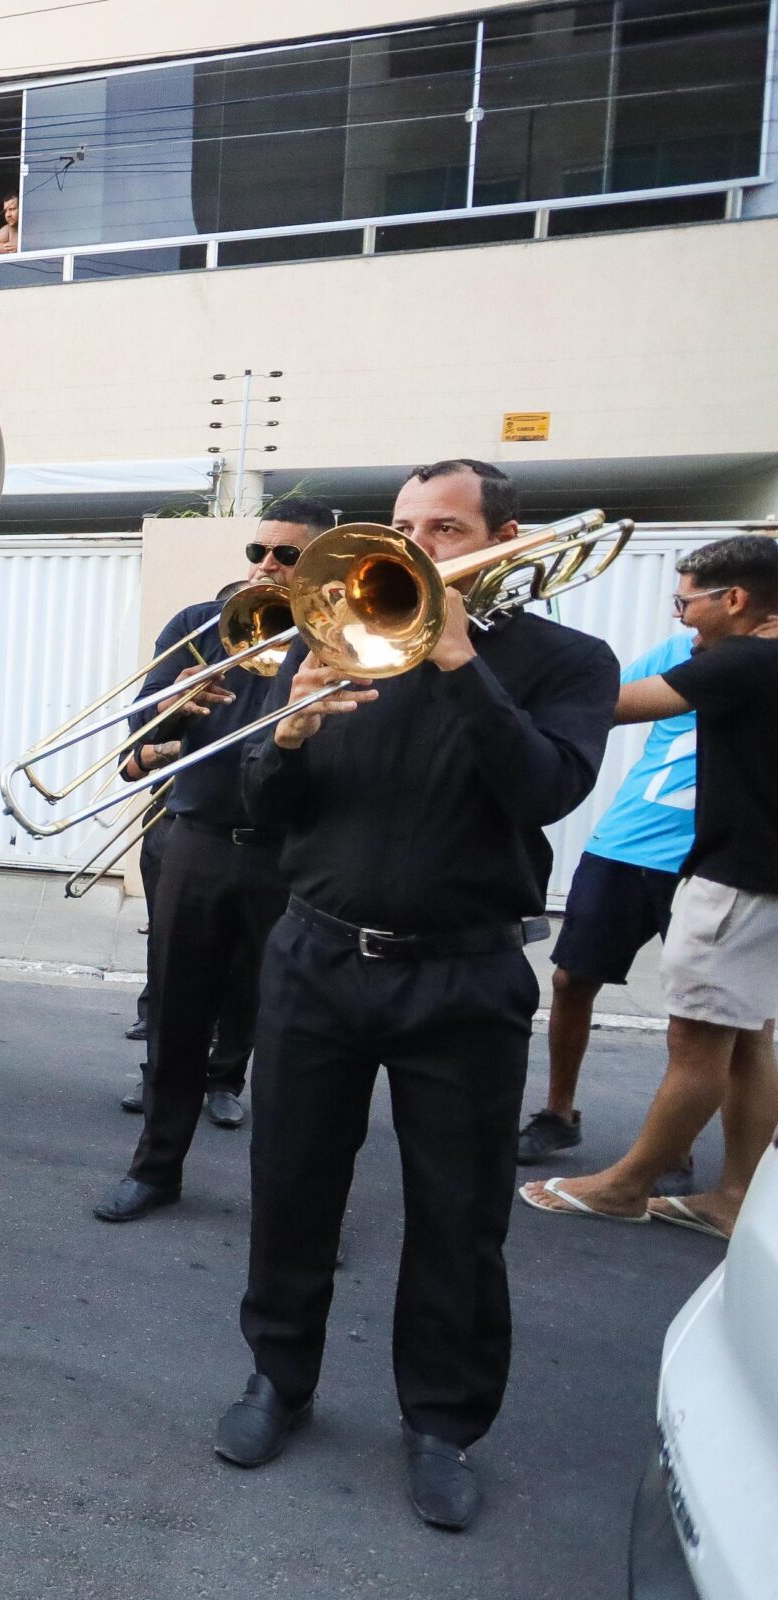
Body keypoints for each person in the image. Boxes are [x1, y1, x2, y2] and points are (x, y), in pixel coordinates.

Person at [219, 460, 617, 1531]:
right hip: (315, 958)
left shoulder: (565, 661)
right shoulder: (331, 636)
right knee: (290, 1181)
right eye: (402, 526)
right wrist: (287, 734)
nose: (416, 546)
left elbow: (545, 786)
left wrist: (455, 659)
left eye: (443, 528)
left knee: (458, 1211)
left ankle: (441, 1421)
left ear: (504, 536)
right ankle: (277, 1379)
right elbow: (263, 814)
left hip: (465, 971)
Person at [520, 535, 778, 1241]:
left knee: (697, 1041)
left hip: (733, 879)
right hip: (764, 883)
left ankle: (625, 1186)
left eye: (684, 602)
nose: (680, 618)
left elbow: (614, 705)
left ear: (735, 599)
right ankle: (733, 1195)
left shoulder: (747, 660)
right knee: (749, 1037)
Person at [91, 513, 316, 1222]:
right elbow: (137, 746)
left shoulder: (348, 637)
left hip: (294, 851)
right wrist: (176, 713)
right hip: (197, 839)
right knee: (176, 1010)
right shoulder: (200, 622)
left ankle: (298, 1200)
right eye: (259, 550)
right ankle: (156, 1169)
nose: (268, 564)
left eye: (288, 554)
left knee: (297, 1034)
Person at [515, 628, 698, 1177]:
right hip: (626, 841)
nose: (684, 614)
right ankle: (558, 1113)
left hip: (709, 857)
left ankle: (674, 1142)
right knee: (572, 979)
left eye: (692, 600)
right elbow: (602, 703)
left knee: (700, 1013)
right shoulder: (682, 649)